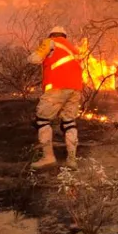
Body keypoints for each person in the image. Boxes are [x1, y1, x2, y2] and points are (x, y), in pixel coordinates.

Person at [27, 26, 83, 169]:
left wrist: (31, 56)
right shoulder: (74, 48)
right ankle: (71, 160)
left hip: (57, 88)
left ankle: (48, 158)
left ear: (52, 35)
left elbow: (35, 59)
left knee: (42, 120)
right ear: (65, 36)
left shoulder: (50, 42)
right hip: (75, 88)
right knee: (69, 122)